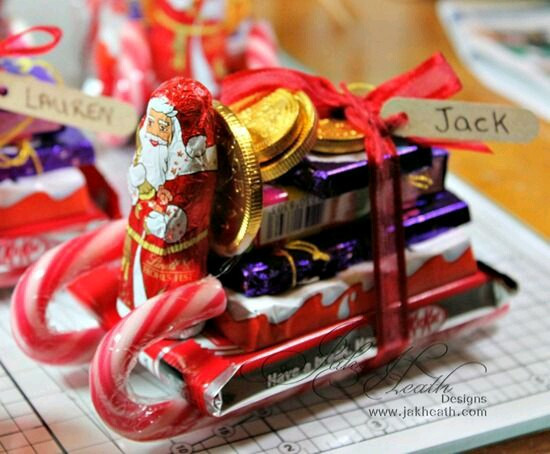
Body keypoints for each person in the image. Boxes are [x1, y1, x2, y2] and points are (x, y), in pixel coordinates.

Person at [119, 78, 217, 314]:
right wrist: (136, 181)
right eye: (150, 123)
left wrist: (173, 220)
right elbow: (140, 191)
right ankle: (133, 306)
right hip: (140, 237)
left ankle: (172, 317)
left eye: (162, 128)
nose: (153, 133)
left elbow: (196, 204)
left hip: (179, 253)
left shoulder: (194, 169)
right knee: (136, 279)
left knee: (169, 296)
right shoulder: (148, 152)